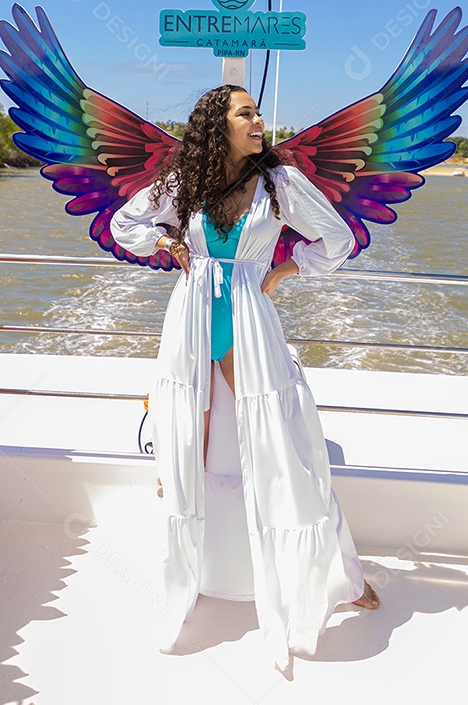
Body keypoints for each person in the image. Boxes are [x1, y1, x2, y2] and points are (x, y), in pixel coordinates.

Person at [110, 84, 379, 668]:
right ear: (219, 124)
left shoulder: (280, 182)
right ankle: (200, 574)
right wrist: (165, 241)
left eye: (257, 113)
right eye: (246, 113)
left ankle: (337, 578)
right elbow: (123, 223)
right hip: (193, 316)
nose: (259, 121)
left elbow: (337, 238)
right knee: (191, 442)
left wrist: (282, 271)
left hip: (249, 320)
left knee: (284, 445)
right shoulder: (185, 180)